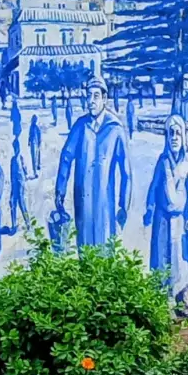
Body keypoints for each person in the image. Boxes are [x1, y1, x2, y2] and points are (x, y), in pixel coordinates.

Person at [54, 78, 131, 249]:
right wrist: (60, 191)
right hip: (82, 199)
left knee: (105, 247)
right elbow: (66, 158)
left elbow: (126, 171)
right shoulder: (80, 126)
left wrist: (124, 204)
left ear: (104, 99)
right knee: (85, 246)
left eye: (96, 96)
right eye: (88, 96)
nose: (91, 101)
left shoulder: (115, 129)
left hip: (105, 200)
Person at [145, 115, 188, 307]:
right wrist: (149, 209)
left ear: (183, 136)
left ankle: (182, 300)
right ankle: (162, 300)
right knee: (162, 259)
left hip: (179, 221)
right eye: (170, 133)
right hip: (162, 219)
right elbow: (153, 187)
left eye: (178, 133)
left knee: (180, 262)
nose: (174, 137)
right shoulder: (163, 161)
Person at [8, 138, 30, 235]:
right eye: (14, 147)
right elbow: (11, 173)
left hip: (20, 183)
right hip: (14, 184)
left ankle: (28, 223)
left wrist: (24, 177)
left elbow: (25, 170)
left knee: (21, 203)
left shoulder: (20, 158)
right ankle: (13, 225)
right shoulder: (13, 160)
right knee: (13, 203)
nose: (16, 149)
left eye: (17, 147)